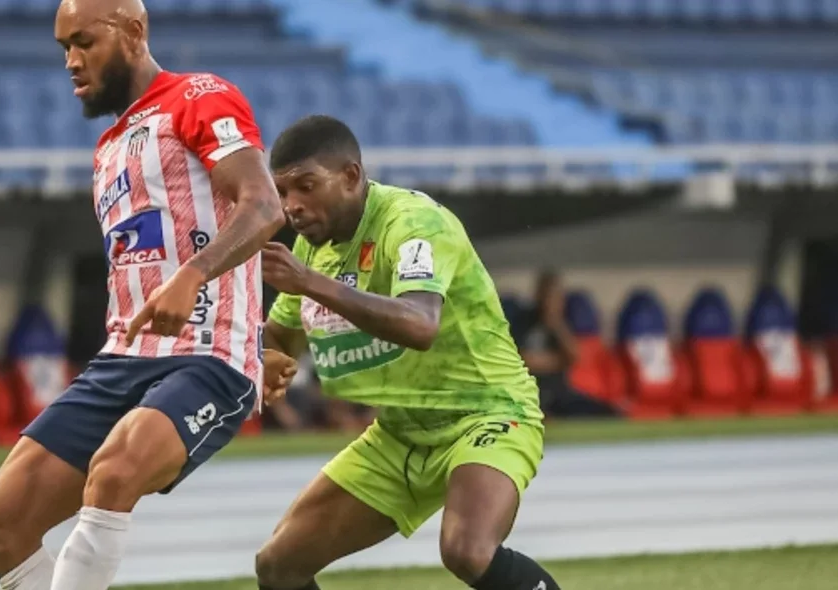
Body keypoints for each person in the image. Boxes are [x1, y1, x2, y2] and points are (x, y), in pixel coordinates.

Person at [0, 1, 295, 589]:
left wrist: (205, 290)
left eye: (85, 42)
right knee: (0, 524)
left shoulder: (199, 97)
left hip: (207, 358)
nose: (72, 61)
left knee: (114, 472)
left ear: (135, 31)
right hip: (122, 359)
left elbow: (263, 205)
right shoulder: (108, 149)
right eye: (64, 48)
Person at [255, 115, 562, 590]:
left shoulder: (414, 223)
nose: (291, 206)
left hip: (486, 414)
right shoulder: (313, 250)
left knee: (466, 550)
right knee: (278, 565)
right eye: (283, 192)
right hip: (399, 433)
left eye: (306, 186)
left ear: (352, 176)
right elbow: (279, 336)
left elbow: (419, 324)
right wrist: (269, 356)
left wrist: (310, 282)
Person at [514, 270, 620, 418]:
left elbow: (575, 357)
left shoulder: (562, 324)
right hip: (531, 393)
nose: (549, 302)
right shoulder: (524, 322)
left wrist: (556, 325)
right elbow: (520, 359)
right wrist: (559, 361)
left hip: (560, 392)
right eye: (546, 296)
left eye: (554, 297)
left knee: (609, 413)